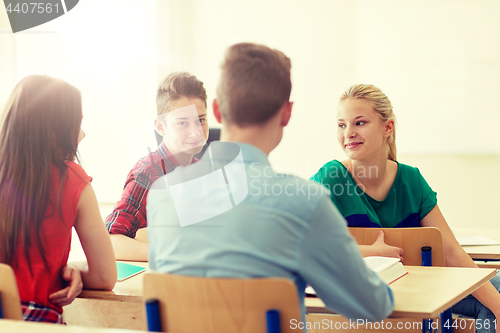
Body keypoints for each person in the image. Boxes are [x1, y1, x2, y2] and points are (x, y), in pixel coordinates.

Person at [147, 43, 394, 325]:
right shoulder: (304, 202)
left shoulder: (163, 194)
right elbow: (372, 307)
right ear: (286, 113)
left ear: (216, 110)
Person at [310, 83, 500, 333]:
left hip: (422, 289)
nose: (349, 133)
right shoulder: (331, 177)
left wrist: (498, 307)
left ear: (387, 127)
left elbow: (450, 251)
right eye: (342, 125)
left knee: (495, 288)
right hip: (363, 297)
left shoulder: (411, 179)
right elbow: (299, 243)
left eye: (359, 123)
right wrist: (370, 251)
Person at [0, 75, 116, 323]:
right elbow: (104, 277)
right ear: (53, 132)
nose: (82, 134)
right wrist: (70, 271)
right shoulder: (72, 180)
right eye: (77, 124)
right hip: (36, 323)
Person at [105, 72, 209, 261]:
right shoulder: (148, 173)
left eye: (200, 120)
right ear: (161, 127)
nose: (196, 132)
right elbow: (110, 242)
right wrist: (173, 254)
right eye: (183, 123)